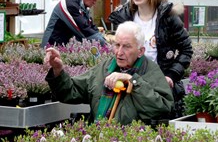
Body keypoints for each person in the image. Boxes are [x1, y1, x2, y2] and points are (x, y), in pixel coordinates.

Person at [44, 21, 174, 125]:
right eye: (117, 45)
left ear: (140, 51)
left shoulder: (151, 71)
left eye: (127, 46)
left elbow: (161, 109)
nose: (119, 52)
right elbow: (71, 92)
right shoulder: (105, 67)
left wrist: (132, 81)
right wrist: (58, 70)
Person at [109, 0, 193, 118]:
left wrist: (171, 75)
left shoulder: (168, 18)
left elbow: (186, 49)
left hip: (157, 86)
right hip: (129, 86)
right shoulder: (125, 17)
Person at [41, 0, 106, 48]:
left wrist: (102, 39)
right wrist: (104, 43)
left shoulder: (82, 5)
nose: (94, 3)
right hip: (50, 47)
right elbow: (83, 30)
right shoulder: (70, 5)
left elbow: (90, 26)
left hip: (62, 47)